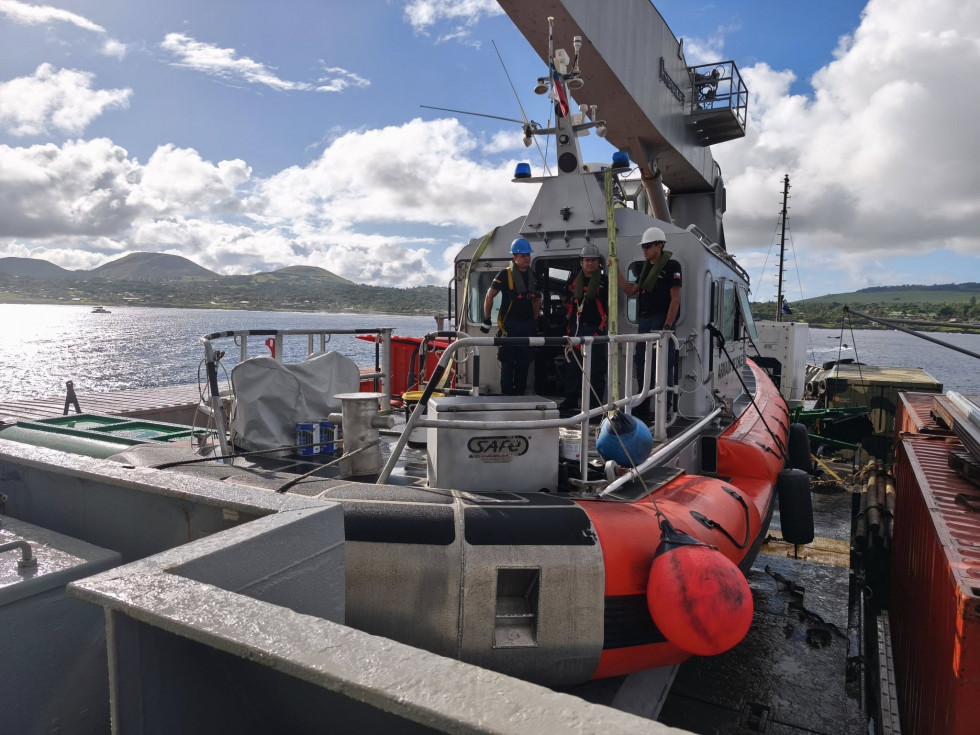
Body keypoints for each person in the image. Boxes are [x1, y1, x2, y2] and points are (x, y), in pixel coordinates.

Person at [612, 226, 681, 416]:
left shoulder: (672, 266)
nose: (644, 249)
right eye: (643, 246)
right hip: (644, 320)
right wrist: (616, 270)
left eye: (648, 245)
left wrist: (667, 327)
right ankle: (643, 404)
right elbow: (629, 290)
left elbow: (675, 299)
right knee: (642, 361)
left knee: (663, 365)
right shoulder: (644, 269)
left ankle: (664, 408)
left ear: (659, 245)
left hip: (661, 320)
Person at [481, 237, 542, 395]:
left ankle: (520, 394)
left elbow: (537, 300)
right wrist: (487, 319)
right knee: (508, 363)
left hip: (527, 326)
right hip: (510, 326)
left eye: (528, 255)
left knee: (524, 362)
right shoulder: (504, 274)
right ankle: (507, 395)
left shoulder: (533, 276)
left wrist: (535, 321)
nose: (527, 258)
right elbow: (489, 295)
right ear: (514, 257)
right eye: (523, 255)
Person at [560, 244, 608, 414]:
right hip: (576, 329)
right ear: (581, 262)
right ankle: (570, 399)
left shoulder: (604, 282)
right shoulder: (573, 280)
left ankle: (595, 405)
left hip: (596, 329)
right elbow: (566, 300)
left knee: (596, 369)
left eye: (593, 261)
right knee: (573, 367)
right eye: (587, 260)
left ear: (598, 263)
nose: (590, 264)